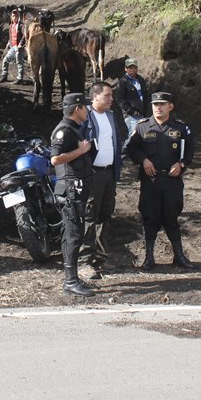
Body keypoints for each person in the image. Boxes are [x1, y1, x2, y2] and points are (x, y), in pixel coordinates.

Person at [127, 91, 197, 271]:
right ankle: (149, 257)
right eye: (155, 105)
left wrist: (181, 164)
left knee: (171, 217)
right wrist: (143, 160)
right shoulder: (142, 127)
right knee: (150, 218)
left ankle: (179, 256)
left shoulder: (181, 128)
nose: (158, 108)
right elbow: (131, 149)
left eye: (162, 104)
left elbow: (189, 151)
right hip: (150, 181)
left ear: (170, 106)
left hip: (172, 181)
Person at [48, 93, 95, 297]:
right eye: (85, 107)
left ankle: (72, 277)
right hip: (70, 189)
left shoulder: (74, 128)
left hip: (77, 188)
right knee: (73, 234)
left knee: (72, 233)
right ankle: (70, 281)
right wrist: (81, 151)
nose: (87, 110)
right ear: (77, 108)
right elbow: (55, 159)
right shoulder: (64, 130)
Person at [79, 80, 122, 279]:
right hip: (92, 174)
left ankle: (101, 258)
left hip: (109, 173)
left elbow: (117, 142)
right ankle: (84, 261)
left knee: (105, 214)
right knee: (89, 215)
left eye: (111, 95)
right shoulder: (84, 116)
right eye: (107, 95)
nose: (111, 99)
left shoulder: (111, 116)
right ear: (95, 96)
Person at [115, 58, 151, 140]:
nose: (132, 70)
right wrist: (131, 111)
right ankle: (127, 148)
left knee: (144, 136)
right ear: (125, 69)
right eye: (130, 68)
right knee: (133, 136)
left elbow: (145, 96)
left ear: (137, 68)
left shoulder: (141, 80)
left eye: (134, 68)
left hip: (143, 114)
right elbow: (120, 99)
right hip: (131, 115)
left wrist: (147, 111)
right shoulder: (123, 82)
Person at [0, 9, 29, 84]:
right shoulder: (11, 25)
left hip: (19, 47)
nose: (15, 17)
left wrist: (21, 43)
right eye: (13, 16)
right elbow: (11, 36)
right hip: (12, 46)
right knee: (5, 60)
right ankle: (4, 76)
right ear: (11, 16)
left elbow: (25, 35)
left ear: (18, 17)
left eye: (16, 16)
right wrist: (8, 44)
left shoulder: (21, 25)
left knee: (19, 62)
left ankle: (20, 79)